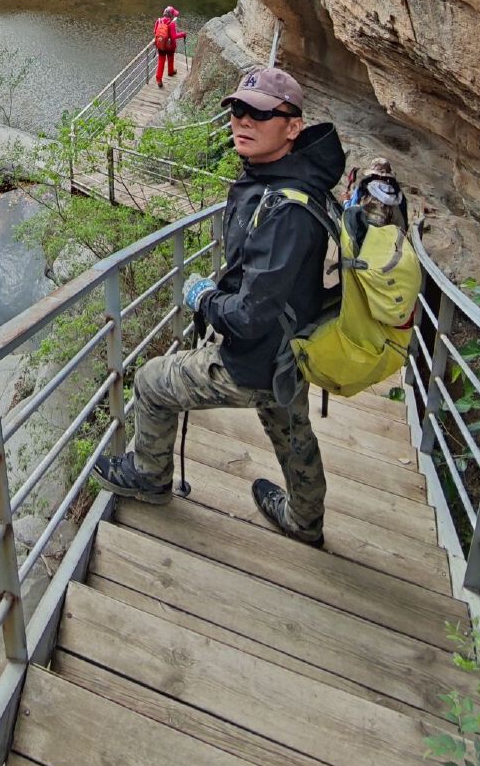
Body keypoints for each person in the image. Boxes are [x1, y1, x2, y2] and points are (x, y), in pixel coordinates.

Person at [94, 66, 345, 547]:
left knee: (150, 382)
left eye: (261, 114)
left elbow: (250, 317)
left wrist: (204, 297)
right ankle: (304, 519)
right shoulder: (303, 184)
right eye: (237, 110)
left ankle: (149, 477)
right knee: (291, 429)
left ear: (293, 126)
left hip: (255, 358)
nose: (243, 121)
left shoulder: (284, 211)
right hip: (292, 350)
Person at [153, 4, 186, 88]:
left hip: (161, 45)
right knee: (170, 59)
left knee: (161, 62)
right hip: (170, 46)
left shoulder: (159, 21)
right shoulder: (171, 24)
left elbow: (155, 32)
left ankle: (159, 80)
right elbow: (174, 36)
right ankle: (170, 71)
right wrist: (183, 34)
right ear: (171, 15)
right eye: (173, 14)